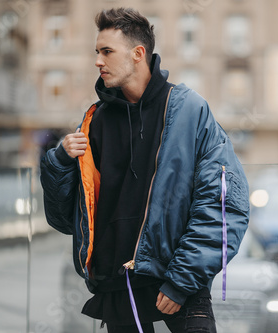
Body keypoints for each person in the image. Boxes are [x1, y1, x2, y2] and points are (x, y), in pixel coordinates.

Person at [40, 7, 250, 333]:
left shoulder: (188, 111)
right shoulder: (93, 121)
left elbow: (224, 204)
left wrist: (181, 281)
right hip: (116, 289)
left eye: (107, 51)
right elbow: (65, 220)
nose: (98, 61)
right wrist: (59, 164)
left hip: (176, 286)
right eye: (97, 52)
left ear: (138, 54)